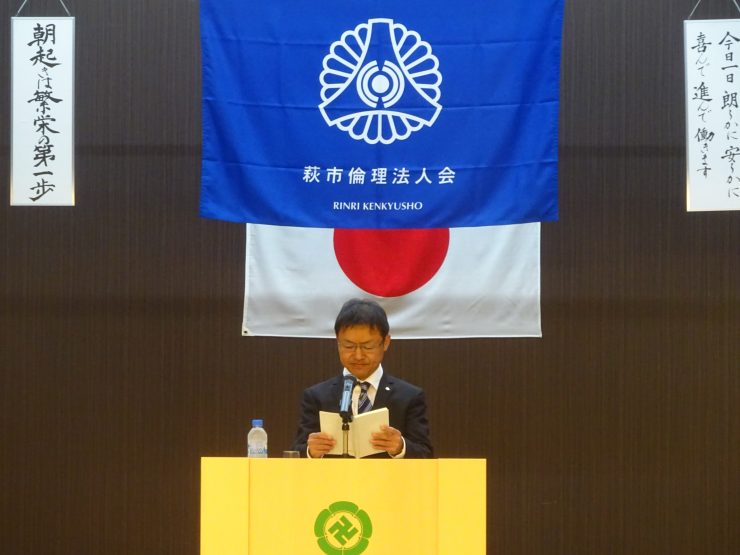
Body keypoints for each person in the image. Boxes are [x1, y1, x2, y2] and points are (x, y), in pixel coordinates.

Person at [292, 298, 433, 458]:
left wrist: (400, 447)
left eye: (368, 346)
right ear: (338, 342)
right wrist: (311, 451)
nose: (358, 355)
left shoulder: (409, 397)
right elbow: (296, 452)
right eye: (349, 346)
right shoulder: (316, 397)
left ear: (386, 342)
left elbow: (426, 454)